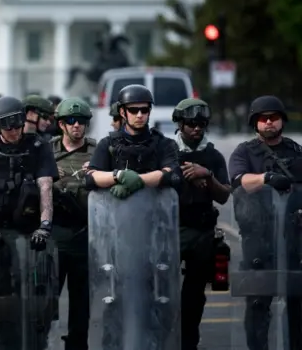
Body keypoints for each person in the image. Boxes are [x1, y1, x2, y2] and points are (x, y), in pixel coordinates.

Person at [85, 84, 181, 349]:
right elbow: (90, 177)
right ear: (122, 112)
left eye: (144, 110)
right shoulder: (109, 145)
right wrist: (116, 176)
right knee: (114, 305)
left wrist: (137, 180)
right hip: (117, 240)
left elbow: (173, 174)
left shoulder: (163, 144)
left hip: (156, 237)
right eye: (134, 110)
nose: (140, 115)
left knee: (157, 304)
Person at [0, 96, 58, 350]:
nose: (14, 129)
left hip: (30, 235)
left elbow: (45, 188)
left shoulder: (39, 147)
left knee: (33, 300)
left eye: (18, 122)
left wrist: (45, 225)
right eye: (7, 125)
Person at [228, 95, 302, 350]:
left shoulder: (295, 151)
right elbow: (238, 181)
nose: (269, 122)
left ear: (282, 121)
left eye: (274, 117)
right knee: (258, 305)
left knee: (297, 304)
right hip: (258, 239)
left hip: (292, 237)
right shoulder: (245, 152)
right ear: (255, 122)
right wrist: (267, 178)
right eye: (263, 118)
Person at [171, 98, 230, 350]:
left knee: (194, 296)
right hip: (170, 230)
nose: (196, 128)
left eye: (201, 124)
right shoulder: (166, 150)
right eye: (191, 123)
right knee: (162, 291)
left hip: (202, 232)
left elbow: (224, 195)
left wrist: (207, 174)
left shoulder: (213, 155)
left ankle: (189, 343)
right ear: (180, 123)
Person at [50, 97, 96, 350]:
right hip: (55, 233)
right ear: (61, 124)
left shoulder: (98, 151)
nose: (77, 125)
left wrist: (97, 173)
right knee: (47, 298)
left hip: (85, 233)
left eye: (82, 121)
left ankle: (78, 345)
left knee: (82, 302)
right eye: (70, 120)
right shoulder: (46, 150)